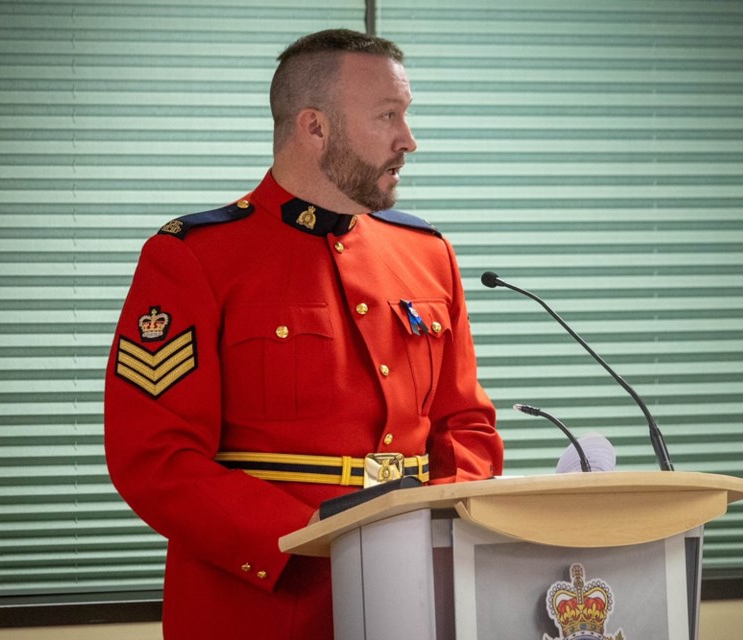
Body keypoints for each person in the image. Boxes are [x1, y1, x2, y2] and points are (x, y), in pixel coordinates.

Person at [103, 28, 504, 639]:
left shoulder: (427, 253)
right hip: (265, 604)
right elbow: (156, 459)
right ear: (314, 127)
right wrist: (307, 537)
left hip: (417, 597)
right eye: (388, 116)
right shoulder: (193, 258)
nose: (409, 141)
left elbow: (465, 426)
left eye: (407, 115)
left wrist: (438, 537)